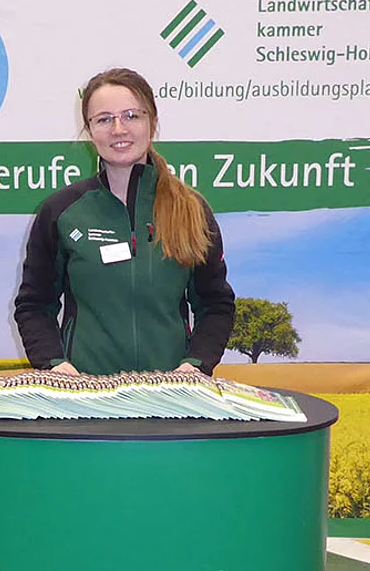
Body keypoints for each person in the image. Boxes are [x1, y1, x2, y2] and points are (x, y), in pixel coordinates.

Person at [13, 67, 235, 376]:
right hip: (85, 394)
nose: (119, 129)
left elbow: (215, 304)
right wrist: (54, 365)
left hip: (171, 393)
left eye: (132, 116)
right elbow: (34, 305)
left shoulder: (192, 209)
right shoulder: (60, 212)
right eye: (104, 119)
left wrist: (195, 365)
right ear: (89, 130)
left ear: (152, 122)